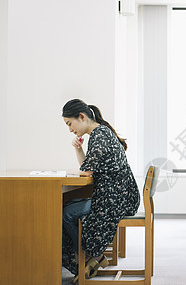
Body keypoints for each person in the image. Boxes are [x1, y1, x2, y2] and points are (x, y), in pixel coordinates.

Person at [61, 99, 140, 283]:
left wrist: (71, 171)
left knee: (66, 213)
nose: (70, 129)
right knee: (68, 207)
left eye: (70, 123)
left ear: (81, 117)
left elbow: (85, 171)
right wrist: (78, 148)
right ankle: (90, 257)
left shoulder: (100, 134)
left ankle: (88, 257)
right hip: (116, 195)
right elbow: (88, 168)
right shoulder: (99, 134)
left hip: (115, 199)